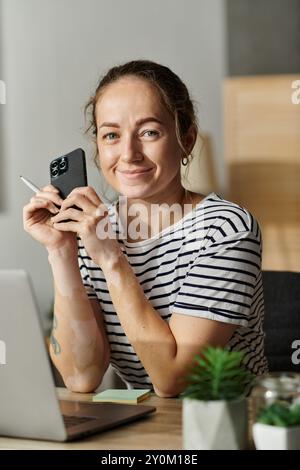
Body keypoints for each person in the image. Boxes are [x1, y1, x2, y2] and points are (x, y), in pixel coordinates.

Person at [23, 60, 268, 396]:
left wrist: (111, 259)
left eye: (149, 132)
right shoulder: (92, 227)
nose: (129, 154)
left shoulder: (225, 229)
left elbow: (174, 380)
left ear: (187, 138)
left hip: (226, 426)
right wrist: (62, 251)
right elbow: (82, 377)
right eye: (111, 135)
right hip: (145, 426)